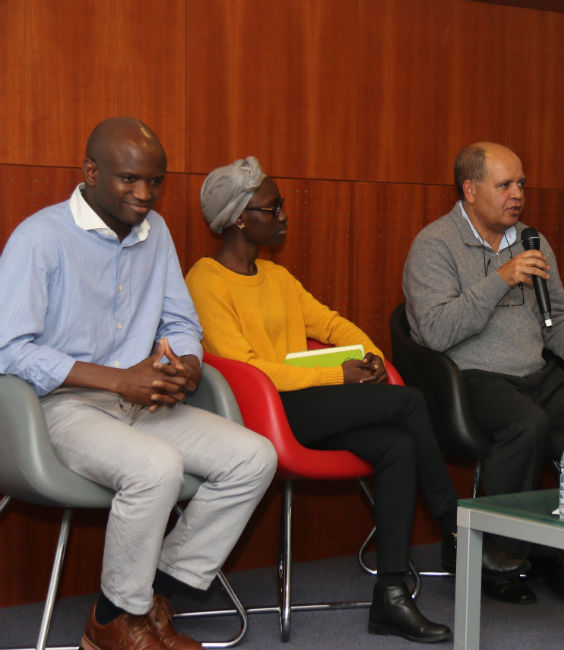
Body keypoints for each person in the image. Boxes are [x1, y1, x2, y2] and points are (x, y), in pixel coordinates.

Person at [0, 118, 278, 650]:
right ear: (90, 172)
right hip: (61, 407)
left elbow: (181, 324)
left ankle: (138, 602)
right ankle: (117, 623)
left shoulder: (157, 234)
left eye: (155, 181)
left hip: (144, 403)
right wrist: (119, 380)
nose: (144, 194)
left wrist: (190, 365)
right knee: (157, 469)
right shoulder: (41, 238)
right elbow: (10, 348)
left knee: (254, 458)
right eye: (129, 180)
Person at [185, 157, 455, 644]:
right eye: (274, 206)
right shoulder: (205, 281)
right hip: (260, 415)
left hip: (305, 406)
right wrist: (337, 372)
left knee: (397, 444)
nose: (285, 214)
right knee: (410, 403)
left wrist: (370, 356)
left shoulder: (276, 277)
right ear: (241, 217)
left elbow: (330, 324)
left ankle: (391, 598)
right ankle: (455, 523)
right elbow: (244, 368)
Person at [402, 142, 564, 606]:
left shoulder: (532, 240)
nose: (517, 194)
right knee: (527, 425)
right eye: (504, 184)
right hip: (470, 378)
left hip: (535, 372)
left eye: (521, 183)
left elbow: (557, 319)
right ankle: (496, 558)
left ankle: (561, 549)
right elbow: (436, 331)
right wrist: (500, 279)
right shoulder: (434, 244)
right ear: (470, 189)